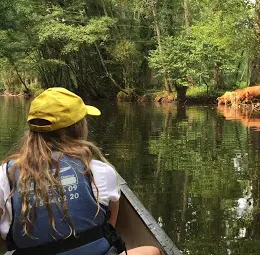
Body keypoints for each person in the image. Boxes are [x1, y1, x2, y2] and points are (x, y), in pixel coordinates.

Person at [0, 88, 160, 255]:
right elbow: (107, 230)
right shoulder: (101, 171)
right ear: (78, 128)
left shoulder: (5, 176)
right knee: (152, 251)